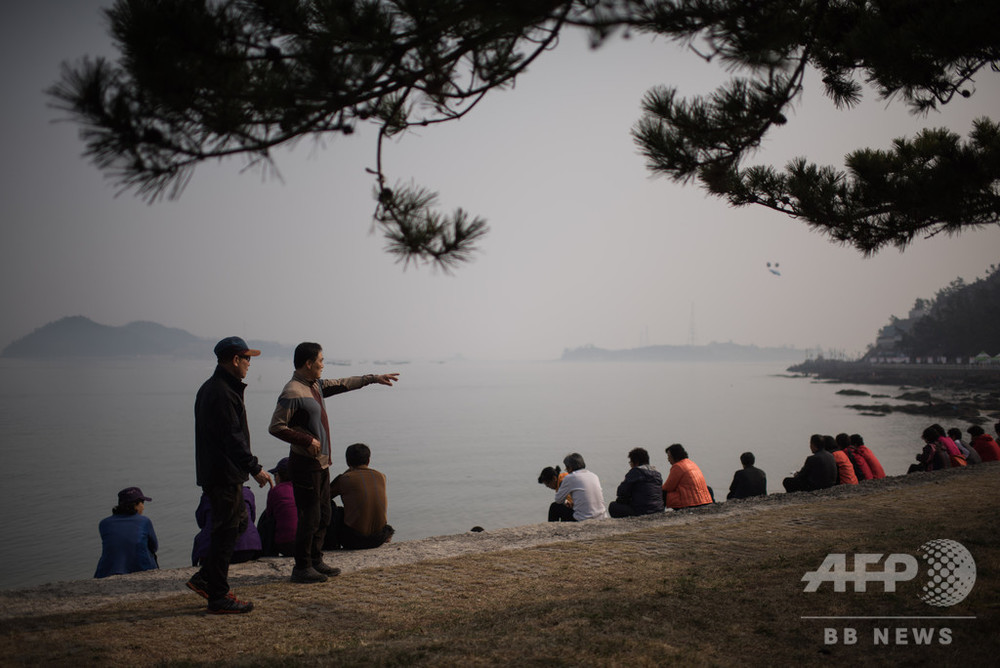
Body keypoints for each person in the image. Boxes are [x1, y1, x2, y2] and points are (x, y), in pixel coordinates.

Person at [269, 342, 398, 583]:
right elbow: (276, 426)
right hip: (305, 464)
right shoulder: (293, 392)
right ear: (308, 363)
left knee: (324, 514)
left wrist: (373, 378)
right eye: (320, 360)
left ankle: (316, 560)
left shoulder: (315, 385)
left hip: (322, 464)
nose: (323, 364)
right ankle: (302, 567)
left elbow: (343, 383)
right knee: (309, 517)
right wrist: (305, 439)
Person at [188, 336, 273, 614]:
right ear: (235, 360)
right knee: (226, 531)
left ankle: (206, 578)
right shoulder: (222, 392)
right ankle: (218, 596)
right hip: (223, 474)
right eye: (247, 358)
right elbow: (232, 438)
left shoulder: (215, 388)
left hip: (221, 472)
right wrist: (255, 468)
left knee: (236, 524)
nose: (250, 364)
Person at [327, 443, 395, 549]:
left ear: (347, 461)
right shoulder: (381, 476)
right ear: (368, 460)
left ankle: (329, 544)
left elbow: (324, 496)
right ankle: (387, 536)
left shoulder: (345, 478)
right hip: (378, 538)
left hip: (354, 540)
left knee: (331, 507)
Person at [94, 486, 158, 578]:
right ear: (135, 504)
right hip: (141, 569)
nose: (143, 507)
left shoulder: (104, 523)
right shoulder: (144, 521)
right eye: (142, 503)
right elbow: (154, 547)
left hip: (107, 571)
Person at [192, 486, 262, 566]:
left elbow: (201, 522)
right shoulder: (247, 493)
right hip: (248, 548)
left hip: (216, 551)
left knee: (199, 540)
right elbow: (252, 518)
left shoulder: (208, 495)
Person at [548, 453, 607, 521]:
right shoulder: (594, 476)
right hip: (601, 517)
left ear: (570, 468)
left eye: (567, 468)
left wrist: (566, 502)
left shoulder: (570, 478)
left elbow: (558, 500)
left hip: (584, 519)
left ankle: (555, 531)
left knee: (555, 507)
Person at [608, 447, 665, 517]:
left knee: (613, 506)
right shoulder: (657, 474)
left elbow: (621, 491)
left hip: (642, 511)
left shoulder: (635, 472)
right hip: (659, 510)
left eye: (630, 462)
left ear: (636, 462)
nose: (630, 465)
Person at [259, 457, 297, 557]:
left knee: (265, 518)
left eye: (275, 475)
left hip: (286, 546)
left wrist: (272, 489)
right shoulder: (302, 488)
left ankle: (266, 551)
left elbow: (269, 516)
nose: (275, 479)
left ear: (280, 476)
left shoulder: (276, 491)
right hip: (306, 545)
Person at [662, 443, 713, 509]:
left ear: (675, 456)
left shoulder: (678, 466)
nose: (668, 459)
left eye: (669, 457)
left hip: (689, 502)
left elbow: (668, 487)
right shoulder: (691, 463)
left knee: (661, 493)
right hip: (704, 500)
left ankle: (658, 511)